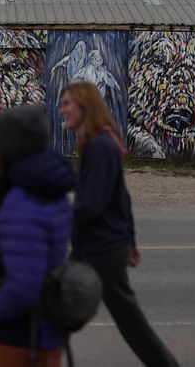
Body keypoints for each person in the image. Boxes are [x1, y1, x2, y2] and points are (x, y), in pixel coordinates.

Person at [58, 81, 178, 367]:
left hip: (100, 249)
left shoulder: (99, 147)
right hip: (99, 245)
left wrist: (50, 218)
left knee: (124, 320)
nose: (61, 109)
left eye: (66, 103)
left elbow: (92, 205)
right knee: (59, 309)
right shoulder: (98, 144)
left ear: (85, 107)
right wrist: (131, 241)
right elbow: (122, 198)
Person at [0, 104, 74, 367]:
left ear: (11, 150)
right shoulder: (48, 189)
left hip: (17, 341)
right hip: (42, 333)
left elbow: (23, 289)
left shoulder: (23, 202)